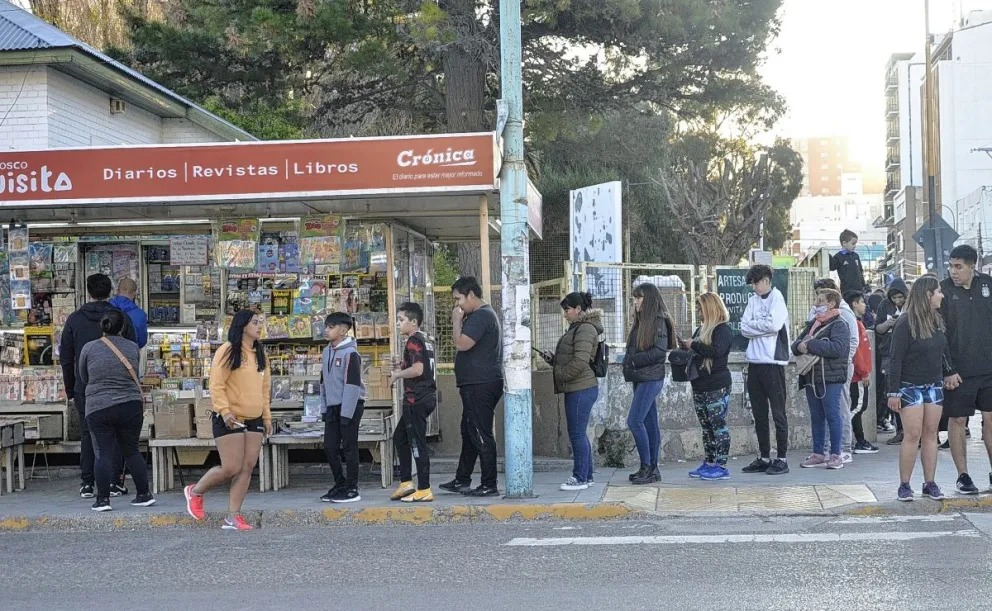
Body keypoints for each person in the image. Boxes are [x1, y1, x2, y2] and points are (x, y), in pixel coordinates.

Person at [184, 310, 271, 530]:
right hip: (230, 417)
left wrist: (267, 416)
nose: (259, 326)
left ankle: (233, 516)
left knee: (247, 468)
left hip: (254, 418)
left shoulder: (261, 354)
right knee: (231, 467)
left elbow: (265, 389)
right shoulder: (227, 350)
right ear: (242, 325)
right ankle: (195, 491)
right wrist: (224, 411)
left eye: (260, 323)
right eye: (255, 323)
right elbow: (216, 385)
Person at [59, 273, 136, 499]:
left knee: (88, 433)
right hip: (119, 386)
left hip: (86, 387)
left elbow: (66, 356)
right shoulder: (120, 316)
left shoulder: (74, 319)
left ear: (88, 291)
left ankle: (87, 483)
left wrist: (70, 387)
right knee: (116, 434)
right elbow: (133, 346)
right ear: (110, 291)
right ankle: (114, 482)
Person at [78, 310, 155, 511]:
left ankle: (103, 500)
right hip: (130, 405)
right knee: (131, 450)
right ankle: (144, 494)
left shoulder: (89, 348)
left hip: (98, 406)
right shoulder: (131, 348)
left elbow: (83, 376)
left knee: (102, 453)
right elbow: (135, 372)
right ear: (122, 327)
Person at [886, 275, 950, 501]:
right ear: (927, 295)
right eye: (938, 291)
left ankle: (929, 483)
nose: (941, 295)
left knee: (931, 434)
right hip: (909, 387)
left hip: (934, 385)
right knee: (912, 434)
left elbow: (944, 350)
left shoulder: (937, 319)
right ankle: (904, 484)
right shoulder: (905, 322)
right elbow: (895, 359)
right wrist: (893, 392)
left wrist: (949, 372)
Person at [439, 277, 504, 497]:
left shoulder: (482, 316)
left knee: (480, 432)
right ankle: (462, 479)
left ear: (471, 295)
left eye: (459, 299)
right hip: (474, 383)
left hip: (481, 383)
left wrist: (456, 321)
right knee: (469, 431)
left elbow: (462, 344)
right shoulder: (480, 315)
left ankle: (489, 483)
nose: (458, 305)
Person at [940, 245, 992, 495]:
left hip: (989, 368)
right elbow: (939, 334)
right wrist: (947, 369)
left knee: (991, 421)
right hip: (958, 372)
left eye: (958, 266)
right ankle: (963, 476)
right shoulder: (943, 291)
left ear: (973, 266)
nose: (953, 271)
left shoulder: (988, 286)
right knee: (958, 419)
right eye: (951, 266)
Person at [740, 264, 792, 475]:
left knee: (778, 413)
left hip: (773, 364)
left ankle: (781, 458)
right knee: (759, 414)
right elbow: (743, 327)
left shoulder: (777, 298)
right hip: (755, 363)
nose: (753, 288)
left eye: (755, 283)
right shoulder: (752, 301)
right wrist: (760, 328)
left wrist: (756, 327)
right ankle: (763, 456)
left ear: (766, 281)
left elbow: (774, 325)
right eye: (751, 283)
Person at [623, 283, 676, 485]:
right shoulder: (642, 321)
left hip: (650, 377)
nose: (636, 301)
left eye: (639, 298)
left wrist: (634, 360)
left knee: (634, 421)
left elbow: (659, 352)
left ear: (649, 299)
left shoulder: (657, 320)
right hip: (641, 377)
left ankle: (647, 466)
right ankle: (652, 468)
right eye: (635, 298)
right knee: (649, 423)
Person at [549, 292, 602, 491]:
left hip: (581, 387)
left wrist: (560, 374)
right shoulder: (578, 328)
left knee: (577, 434)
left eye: (567, 310)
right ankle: (586, 476)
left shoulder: (585, 328)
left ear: (578, 309)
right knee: (579, 433)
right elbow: (574, 357)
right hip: (578, 386)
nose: (565, 314)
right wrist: (554, 361)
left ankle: (580, 477)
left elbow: (580, 361)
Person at [794, 289, 851, 470]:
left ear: (832, 303)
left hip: (831, 378)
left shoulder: (840, 324)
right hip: (812, 376)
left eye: (820, 301)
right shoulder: (814, 324)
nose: (816, 304)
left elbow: (837, 348)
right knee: (816, 416)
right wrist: (801, 346)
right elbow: (796, 343)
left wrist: (810, 345)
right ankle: (818, 453)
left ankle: (836, 454)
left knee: (833, 415)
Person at [680, 292, 733, 481]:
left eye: (700, 308)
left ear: (710, 308)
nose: (698, 312)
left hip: (716, 384)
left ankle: (722, 465)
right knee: (706, 426)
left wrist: (694, 345)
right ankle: (709, 462)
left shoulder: (722, 330)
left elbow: (716, 351)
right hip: (700, 384)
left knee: (718, 424)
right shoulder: (700, 330)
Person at [389, 303, 437, 503]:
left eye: (401, 320)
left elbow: (417, 370)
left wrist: (397, 375)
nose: (398, 324)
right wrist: (401, 365)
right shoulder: (425, 339)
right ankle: (406, 482)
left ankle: (424, 487)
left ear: (414, 321)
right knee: (400, 437)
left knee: (417, 442)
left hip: (416, 398)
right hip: (425, 396)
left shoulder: (413, 341)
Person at [810, 279, 860, 464]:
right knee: (821, 412)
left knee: (839, 409)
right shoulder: (816, 317)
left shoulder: (844, 315)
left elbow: (850, 342)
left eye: (820, 297)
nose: (816, 302)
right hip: (819, 370)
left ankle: (843, 448)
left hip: (838, 369)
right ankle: (822, 450)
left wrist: (843, 363)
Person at [318, 312, 366, 503]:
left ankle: (352, 488)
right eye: (326, 326)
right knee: (330, 446)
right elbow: (323, 381)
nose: (326, 330)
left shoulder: (351, 354)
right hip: (332, 406)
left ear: (344, 330)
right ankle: (340, 483)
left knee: (349, 447)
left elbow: (352, 386)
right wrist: (324, 408)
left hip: (351, 405)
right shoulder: (326, 351)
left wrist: (346, 413)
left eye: (331, 327)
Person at [875, 278, 909, 441]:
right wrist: (888, 323)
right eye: (894, 298)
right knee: (892, 389)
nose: (898, 301)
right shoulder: (884, 306)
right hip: (888, 352)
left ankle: (909, 428)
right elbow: (878, 329)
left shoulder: (911, 306)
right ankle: (899, 429)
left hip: (909, 354)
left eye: (900, 297)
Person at [845, 292, 879, 454]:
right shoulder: (854, 324)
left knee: (859, 406)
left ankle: (860, 441)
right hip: (857, 376)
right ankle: (840, 435)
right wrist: (864, 372)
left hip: (860, 374)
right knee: (857, 407)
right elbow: (856, 351)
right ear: (854, 304)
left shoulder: (859, 323)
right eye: (861, 302)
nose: (865, 306)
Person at [108, 277, 148, 349]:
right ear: (134, 293)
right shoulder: (141, 315)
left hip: (106, 353)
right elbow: (142, 342)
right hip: (129, 355)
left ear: (117, 291)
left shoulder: (106, 308)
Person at [830, 229, 866, 295]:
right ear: (844, 243)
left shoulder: (856, 256)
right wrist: (828, 256)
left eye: (855, 243)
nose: (855, 246)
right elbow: (832, 267)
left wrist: (864, 285)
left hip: (859, 289)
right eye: (853, 243)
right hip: (847, 290)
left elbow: (860, 271)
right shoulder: (838, 257)